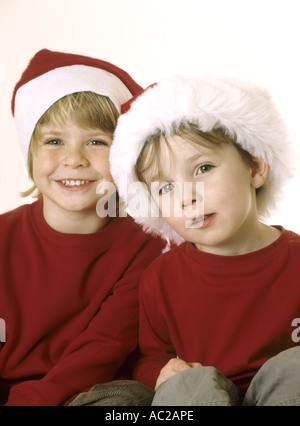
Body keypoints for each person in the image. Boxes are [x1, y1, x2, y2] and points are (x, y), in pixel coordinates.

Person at [109, 75, 300, 405]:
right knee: (185, 387)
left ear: (255, 168)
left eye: (203, 168)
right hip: (201, 400)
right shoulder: (161, 278)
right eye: (166, 187)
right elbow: (151, 357)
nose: (186, 197)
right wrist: (162, 373)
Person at [0, 49, 164, 406]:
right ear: (30, 153)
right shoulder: (3, 237)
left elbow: (104, 346)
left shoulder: (147, 245)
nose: (73, 159)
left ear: (123, 155)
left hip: (91, 390)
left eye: (96, 142)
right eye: (54, 141)